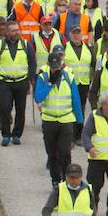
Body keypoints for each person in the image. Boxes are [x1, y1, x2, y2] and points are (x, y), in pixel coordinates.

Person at [33, 46, 82, 185]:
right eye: (53, 66)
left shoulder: (68, 76)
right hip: (49, 120)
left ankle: (67, 180)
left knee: (65, 153)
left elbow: (75, 98)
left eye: (58, 66)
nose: (56, 69)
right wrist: (50, 83)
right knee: (52, 153)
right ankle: (55, 179)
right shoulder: (43, 76)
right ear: (49, 65)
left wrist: (79, 120)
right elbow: (38, 97)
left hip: (66, 120)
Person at [0, 19, 36, 145]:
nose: (17, 32)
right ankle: (5, 135)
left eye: (17, 30)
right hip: (4, 82)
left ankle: (17, 135)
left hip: (21, 82)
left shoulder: (26, 45)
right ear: (7, 32)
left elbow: (32, 62)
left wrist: (31, 79)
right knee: (5, 108)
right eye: (14, 30)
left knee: (21, 110)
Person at [82, 92, 108, 215]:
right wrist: (89, 148)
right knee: (94, 187)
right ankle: (92, 208)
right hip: (97, 159)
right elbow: (85, 134)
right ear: (102, 104)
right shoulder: (94, 116)